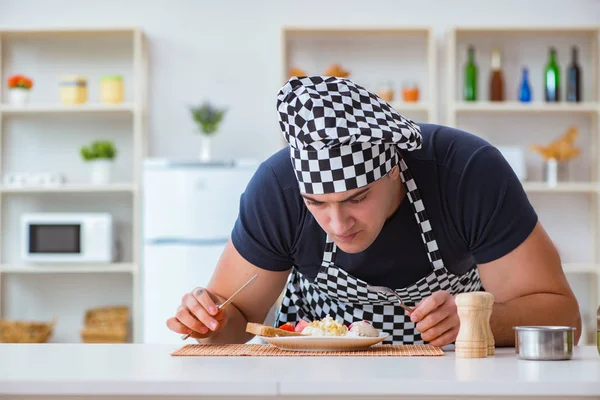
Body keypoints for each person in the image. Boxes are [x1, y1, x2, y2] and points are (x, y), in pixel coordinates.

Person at [166, 76, 581, 347]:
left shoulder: (469, 174)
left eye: (357, 198)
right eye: (317, 204)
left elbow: (563, 317)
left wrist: (476, 320)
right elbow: (236, 319)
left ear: (395, 170)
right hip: (315, 375)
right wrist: (210, 323)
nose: (337, 224)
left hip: (452, 366)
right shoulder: (275, 189)